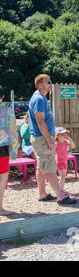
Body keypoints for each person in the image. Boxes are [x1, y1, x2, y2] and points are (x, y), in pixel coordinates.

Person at [29, 75, 77, 205]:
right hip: (42, 138)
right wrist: (50, 140)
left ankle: (42, 194)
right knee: (49, 166)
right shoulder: (39, 99)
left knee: (41, 166)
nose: (50, 84)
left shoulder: (40, 98)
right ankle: (60, 196)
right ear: (40, 85)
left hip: (40, 138)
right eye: (48, 82)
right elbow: (40, 121)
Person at [0, 85, 19, 216]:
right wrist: (14, 151)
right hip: (2, 148)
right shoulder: (7, 110)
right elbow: (12, 131)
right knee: (2, 178)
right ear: (3, 96)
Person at [55, 127, 76, 195]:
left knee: (63, 177)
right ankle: (58, 190)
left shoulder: (65, 142)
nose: (64, 135)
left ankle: (61, 189)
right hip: (59, 162)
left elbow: (73, 146)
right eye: (62, 134)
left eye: (64, 134)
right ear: (57, 136)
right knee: (63, 176)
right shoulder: (56, 143)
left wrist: (69, 138)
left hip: (64, 162)